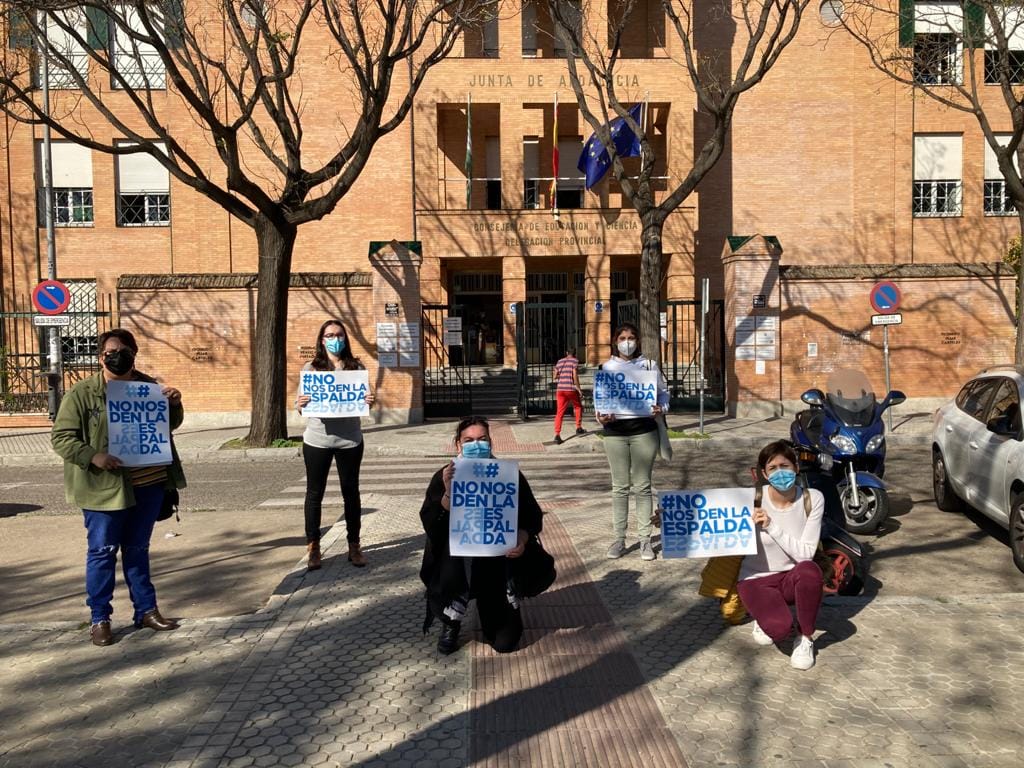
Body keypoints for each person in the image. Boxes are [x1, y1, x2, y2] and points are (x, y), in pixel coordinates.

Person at [51, 328, 186, 647]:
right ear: (100, 356)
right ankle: (100, 617)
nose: (118, 355)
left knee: (138, 549)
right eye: (111, 351)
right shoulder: (82, 393)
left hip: (149, 484)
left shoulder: (149, 387)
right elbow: (61, 438)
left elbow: (169, 425)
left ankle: (146, 610)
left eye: (124, 350)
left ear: (134, 354)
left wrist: (175, 404)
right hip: (104, 490)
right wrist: (93, 455)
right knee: (102, 551)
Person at [419, 416, 543, 655]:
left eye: (482, 439)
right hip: (458, 565)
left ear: (491, 442)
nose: (476, 445)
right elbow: (431, 526)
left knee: (505, 643)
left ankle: (500, 602)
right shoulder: (445, 476)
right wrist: (447, 494)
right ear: (458, 445)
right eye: (469, 440)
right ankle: (452, 616)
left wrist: (522, 538)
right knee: (448, 559)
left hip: (497, 567)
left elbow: (533, 517)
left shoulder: (508, 474)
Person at [736, 440, 825, 671]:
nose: (780, 472)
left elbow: (806, 554)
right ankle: (762, 613)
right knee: (778, 630)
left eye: (785, 466)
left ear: (796, 468)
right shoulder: (749, 499)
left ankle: (805, 637)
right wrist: (672, 520)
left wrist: (771, 526)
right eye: (773, 468)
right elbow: (712, 526)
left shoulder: (812, 499)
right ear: (763, 474)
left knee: (810, 571)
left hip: (791, 576)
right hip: (755, 578)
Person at [295, 319, 375, 570]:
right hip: (317, 440)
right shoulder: (311, 368)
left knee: (351, 493)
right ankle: (314, 548)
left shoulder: (356, 368)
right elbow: (299, 405)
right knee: (314, 494)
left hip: (350, 440)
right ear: (322, 339)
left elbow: (366, 400)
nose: (334, 339)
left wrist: (369, 400)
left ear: (345, 338)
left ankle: (354, 546)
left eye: (339, 335)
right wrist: (300, 404)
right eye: (329, 335)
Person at [595, 323, 669, 562]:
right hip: (614, 432)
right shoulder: (606, 368)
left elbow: (664, 392)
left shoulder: (648, 366)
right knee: (619, 487)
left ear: (638, 341)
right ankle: (619, 538)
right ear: (615, 341)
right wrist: (600, 417)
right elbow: (599, 404)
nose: (627, 342)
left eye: (631, 337)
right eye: (622, 337)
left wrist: (662, 407)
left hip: (644, 432)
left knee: (643, 486)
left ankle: (645, 540)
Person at [552, 346, 584, 444]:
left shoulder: (560, 361)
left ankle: (557, 434)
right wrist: (578, 388)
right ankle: (578, 427)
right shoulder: (575, 361)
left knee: (559, 412)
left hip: (560, 389)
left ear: (566, 353)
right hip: (570, 389)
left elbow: (555, 376)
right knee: (578, 406)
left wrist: (559, 374)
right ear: (575, 353)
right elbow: (575, 375)